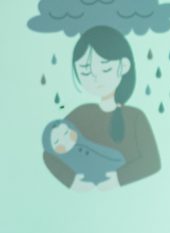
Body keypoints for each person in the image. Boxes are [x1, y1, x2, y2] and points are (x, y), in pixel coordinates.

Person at [43, 25, 160, 191]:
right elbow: (49, 154)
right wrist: (72, 181)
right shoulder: (81, 114)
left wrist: (118, 179)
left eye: (105, 68)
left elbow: (152, 162)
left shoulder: (135, 117)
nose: (95, 78)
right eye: (85, 71)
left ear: (124, 65)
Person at [42, 119, 126, 184]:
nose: (65, 140)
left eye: (66, 133)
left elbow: (115, 156)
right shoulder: (66, 165)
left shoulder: (87, 143)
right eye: (57, 142)